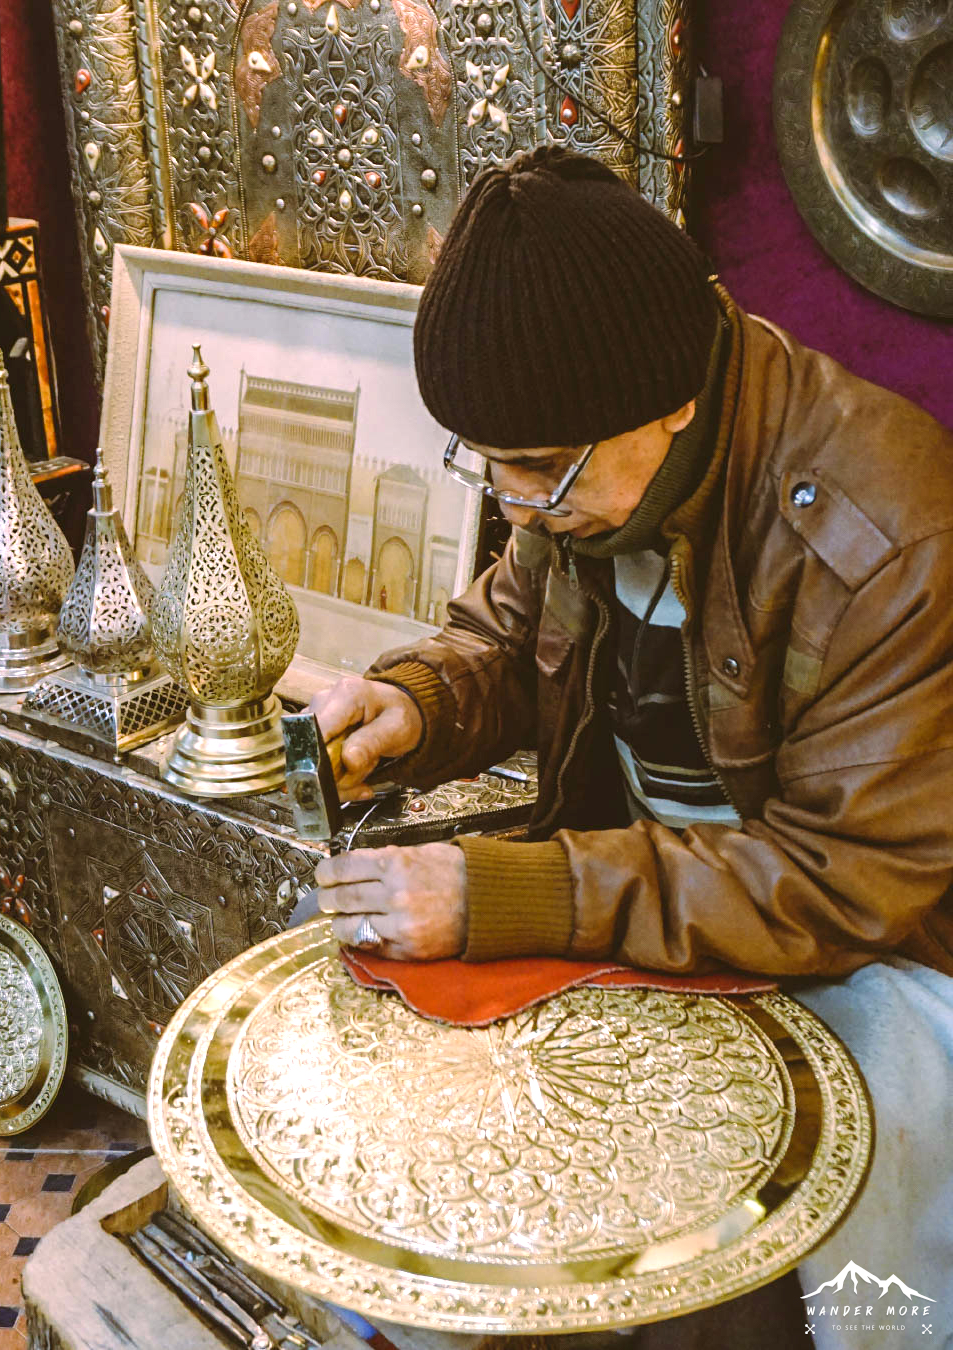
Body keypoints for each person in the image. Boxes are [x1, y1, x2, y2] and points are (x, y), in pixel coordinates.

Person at [307, 147, 953, 1350]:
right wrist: (418, 703)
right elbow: (509, 627)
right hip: (642, 907)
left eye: (539, 473)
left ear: (672, 405)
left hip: (866, 959)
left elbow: (840, 883)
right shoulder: (596, 476)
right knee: (428, 1182)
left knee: (742, 1301)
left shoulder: (886, 536)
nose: (513, 506)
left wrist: (521, 892)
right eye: (490, 466)